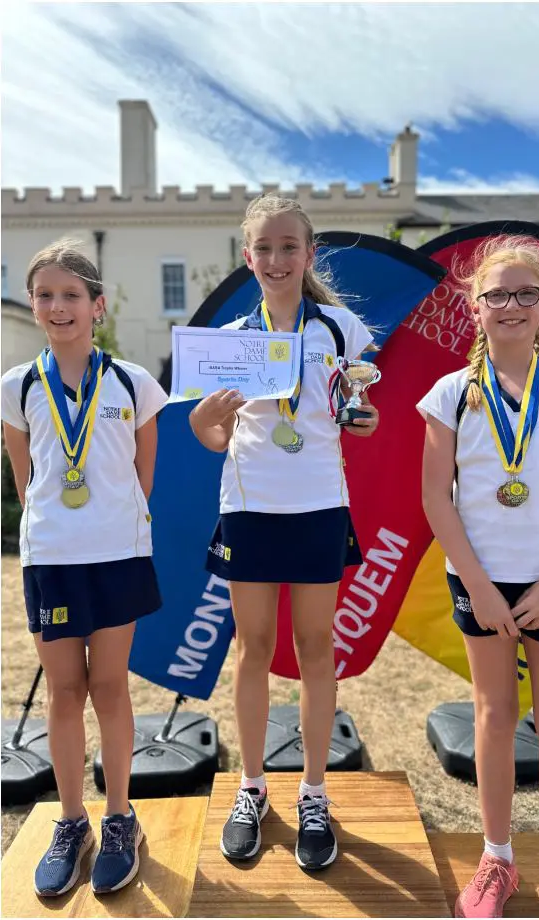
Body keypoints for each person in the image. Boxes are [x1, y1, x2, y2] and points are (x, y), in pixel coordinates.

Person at [189, 194, 379, 870]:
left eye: (287, 246)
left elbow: (360, 408)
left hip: (319, 506)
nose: (275, 259)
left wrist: (364, 421)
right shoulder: (234, 339)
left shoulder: (341, 329)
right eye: (263, 249)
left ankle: (315, 794)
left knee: (315, 647)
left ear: (309, 253)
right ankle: (251, 788)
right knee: (254, 649)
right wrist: (203, 420)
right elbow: (212, 438)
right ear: (248, 258)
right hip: (249, 506)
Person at [419, 236, 539, 918]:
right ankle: (496, 860)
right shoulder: (449, 395)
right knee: (494, 717)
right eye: (498, 295)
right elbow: (436, 498)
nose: (513, 306)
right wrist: (483, 587)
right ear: (476, 306)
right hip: (481, 584)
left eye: (528, 293)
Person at [1, 241, 169, 896]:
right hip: (53, 561)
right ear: (34, 304)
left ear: (97, 306)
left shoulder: (134, 383)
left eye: (72, 295)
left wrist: (106, 522)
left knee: (111, 688)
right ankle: (72, 822)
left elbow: (142, 476)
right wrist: (61, 525)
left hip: (117, 556)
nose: (58, 306)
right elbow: (28, 479)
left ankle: (120, 817)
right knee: (63, 692)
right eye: (45, 294)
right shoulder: (16, 387)